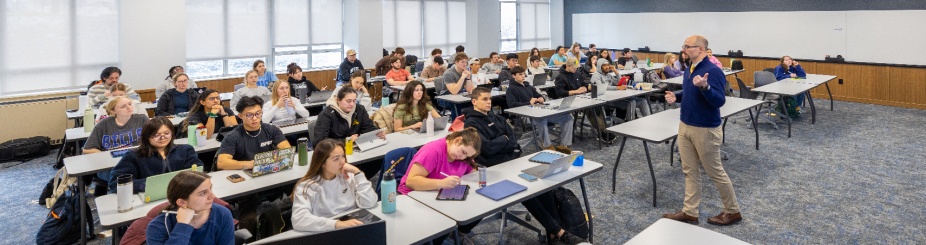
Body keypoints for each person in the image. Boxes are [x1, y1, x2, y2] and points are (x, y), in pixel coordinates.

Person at [663, 35, 742, 226]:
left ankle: (733, 211)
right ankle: (690, 212)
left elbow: (719, 101)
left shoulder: (712, 71)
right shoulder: (691, 68)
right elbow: (691, 91)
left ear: (700, 49)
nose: (683, 49)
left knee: (714, 171)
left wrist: (706, 87)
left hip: (705, 129)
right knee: (689, 170)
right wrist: (678, 96)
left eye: (687, 46)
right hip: (686, 125)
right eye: (683, 46)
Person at [397, 127, 482, 243]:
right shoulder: (433, 150)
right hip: (413, 196)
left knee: (478, 206)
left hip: (439, 195)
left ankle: (456, 233)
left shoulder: (462, 156)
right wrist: (441, 183)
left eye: (467, 156)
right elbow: (411, 182)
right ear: (457, 140)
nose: (463, 157)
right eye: (463, 152)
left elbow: (472, 173)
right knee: (446, 221)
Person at [291, 138, 378, 232]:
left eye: (343, 156)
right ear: (322, 163)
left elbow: (370, 203)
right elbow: (299, 219)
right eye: (336, 159)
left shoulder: (348, 176)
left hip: (353, 226)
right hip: (327, 231)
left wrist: (358, 173)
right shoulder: (307, 186)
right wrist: (336, 224)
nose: (342, 162)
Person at [108, 117, 202, 193]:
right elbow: (115, 183)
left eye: (166, 133)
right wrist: (145, 185)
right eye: (156, 135)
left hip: (180, 193)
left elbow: (198, 172)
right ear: (146, 136)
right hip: (147, 196)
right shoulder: (134, 155)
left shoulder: (185, 150)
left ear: (172, 134)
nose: (162, 138)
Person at [146, 171, 235, 245]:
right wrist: (182, 226)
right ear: (181, 202)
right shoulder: (157, 227)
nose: (212, 196)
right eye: (202, 193)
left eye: (210, 188)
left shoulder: (222, 214)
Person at [506, 67, 574, 150]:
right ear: (513, 76)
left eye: (523, 74)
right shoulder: (511, 89)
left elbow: (538, 95)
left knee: (568, 118)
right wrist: (528, 103)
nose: (523, 76)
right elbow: (511, 105)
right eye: (520, 74)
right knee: (542, 120)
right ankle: (547, 145)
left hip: (539, 110)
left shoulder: (528, 86)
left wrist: (541, 98)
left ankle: (564, 144)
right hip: (525, 115)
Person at [216, 96, 291, 170]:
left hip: (267, 169)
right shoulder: (232, 136)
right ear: (240, 116)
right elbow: (221, 163)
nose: (255, 118)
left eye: (258, 113)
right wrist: (249, 164)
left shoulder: (272, 130)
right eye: (249, 115)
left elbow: (287, 149)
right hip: (244, 172)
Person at [553, 58, 612, 142]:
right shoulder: (560, 77)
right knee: (591, 109)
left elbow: (584, 83)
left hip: (580, 98)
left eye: (576, 68)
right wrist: (576, 91)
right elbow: (559, 92)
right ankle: (602, 131)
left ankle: (604, 130)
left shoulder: (576, 74)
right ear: (567, 66)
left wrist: (589, 87)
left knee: (597, 105)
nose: (576, 69)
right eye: (574, 68)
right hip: (569, 100)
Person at [313, 86, 384, 148]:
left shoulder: (360, 110)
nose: (352, 104)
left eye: (354, 101)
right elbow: (320, 141)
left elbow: (367, 127)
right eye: (348, 101)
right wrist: (346, 141)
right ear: (338, 100)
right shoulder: (327, 114)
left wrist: (376, 133)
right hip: (334, 150)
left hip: (356, 147)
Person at [83, 96, 149, 155]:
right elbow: (87, 149)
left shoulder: (142, 119)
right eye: (123, 106)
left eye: (130, 104)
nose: (129, 107)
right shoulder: (103, 124)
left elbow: (154, 139)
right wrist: (106, 157)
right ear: (113, 111)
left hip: (136, 156)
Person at [437, 53, 477, 119]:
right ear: (456, 62)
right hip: (445, 97)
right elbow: (454, 91)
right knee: (456, 104)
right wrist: (462, 77)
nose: (465, 64)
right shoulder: (449, 73)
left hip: (459, 95)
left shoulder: (466, 72)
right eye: (462, 62)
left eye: (466, 62)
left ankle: (472, 122)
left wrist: (468, 78)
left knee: (474, 101)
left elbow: (469, 90)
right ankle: (456, 125)